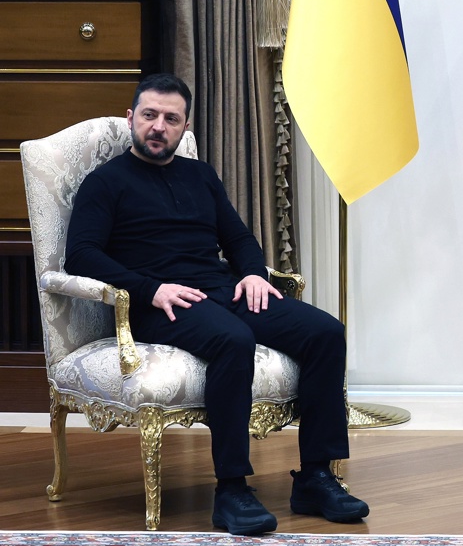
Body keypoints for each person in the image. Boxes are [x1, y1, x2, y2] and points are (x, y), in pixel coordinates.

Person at [66, 73, 369, 536]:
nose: (158, 127)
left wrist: (251, 271)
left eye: (171, 119)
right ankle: (231, 488)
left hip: (223, 289)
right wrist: (151, 288)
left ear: (184, 128)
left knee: (325, 332)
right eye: (149, 115)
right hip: (161, 304)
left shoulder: (201, 175)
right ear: (131, 118)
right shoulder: (105, 183)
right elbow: (81, 254)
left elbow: (239, 237)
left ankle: (315, 477)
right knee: (234, 340)